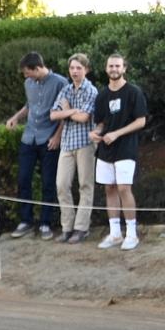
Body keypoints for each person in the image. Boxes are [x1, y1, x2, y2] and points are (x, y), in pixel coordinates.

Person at [5, 52, 67, 239]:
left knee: (48, 182)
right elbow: (29, 105)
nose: (26, 76)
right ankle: (26, 220)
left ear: (38, 68)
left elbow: (65, 112)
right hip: (29, 137)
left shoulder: (60, 82)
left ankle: (46, 223)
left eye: (27, 72)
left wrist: (57, 136)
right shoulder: (28, 84)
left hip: (49, 138)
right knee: (23, 179)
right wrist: (15, 118)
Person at [91, 53, 149, 251]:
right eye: (111, 66)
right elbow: (101, 123)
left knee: (124, 188)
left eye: (118, 66)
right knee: (109, 189)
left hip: (126, 148)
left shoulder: (133, 92)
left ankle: (131, 233)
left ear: (124, 68)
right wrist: (96, 133)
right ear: (106, 69)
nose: (114, 69)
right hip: (105, 149)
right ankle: (115, 233)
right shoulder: (102, 95)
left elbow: (141, 121)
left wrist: (117, 134)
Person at [49, 53, 100, 244]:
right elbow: (53, 115)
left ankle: (81, 228)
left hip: (85, 144)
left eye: (79, 68)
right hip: (67, 144)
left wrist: (66, 111)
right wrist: (71, 110)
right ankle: (67, 227)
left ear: (86, 70)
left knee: (85, 186)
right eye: (72, 68)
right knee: (61, 185)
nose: (75, 71)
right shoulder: (66, 89)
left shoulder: (91, 90)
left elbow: (84, 117)